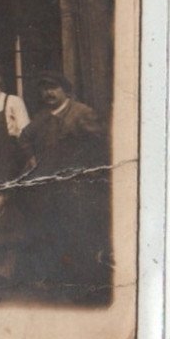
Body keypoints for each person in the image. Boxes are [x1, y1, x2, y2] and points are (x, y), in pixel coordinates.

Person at [18, 71, 110, 301]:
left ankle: (86, 287)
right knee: (54, 234)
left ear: (65, 90)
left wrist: (87, 171)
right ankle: (61, 284)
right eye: (44, 89)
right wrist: (32, 158)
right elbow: (24, 136)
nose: (48, 93)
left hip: (78, 188)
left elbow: (101, 145)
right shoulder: (42, 117)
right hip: (51, 189)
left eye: (54, 88)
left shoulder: (82, 113)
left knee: (79, 235)